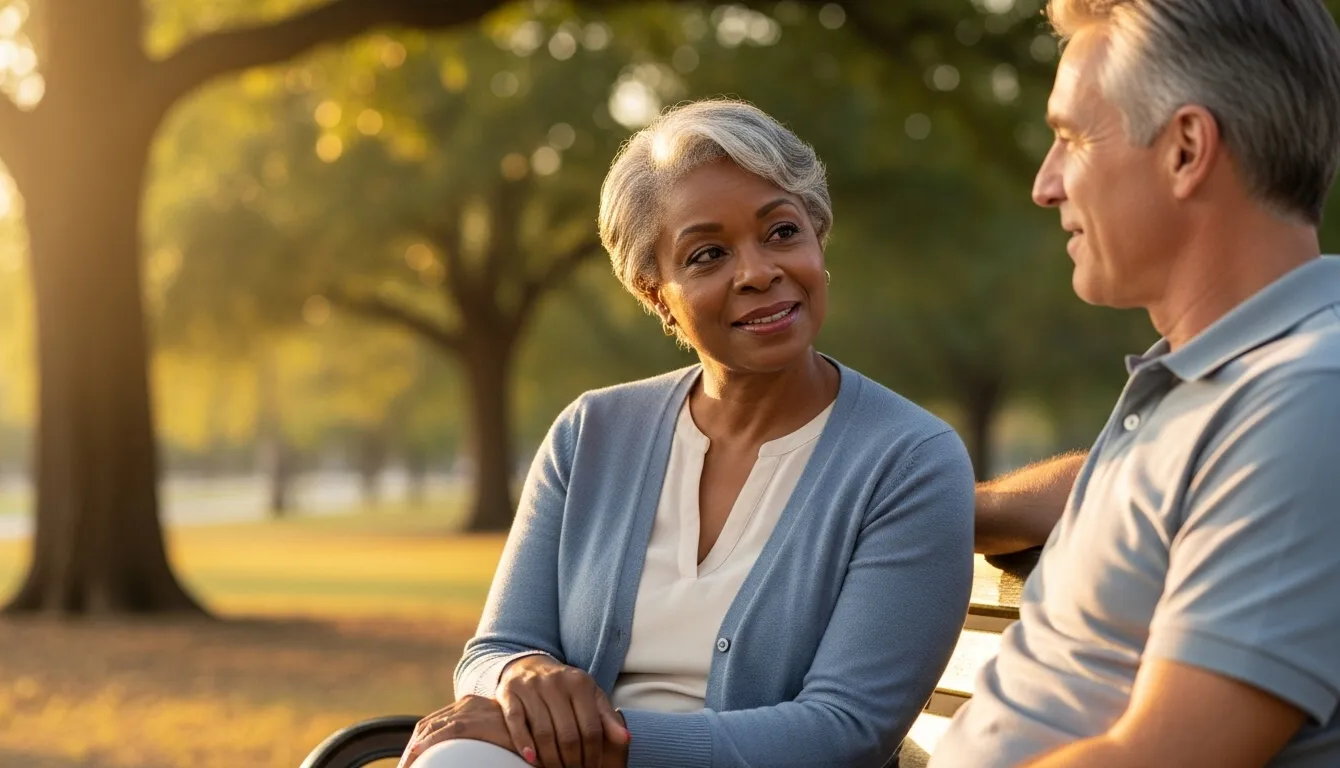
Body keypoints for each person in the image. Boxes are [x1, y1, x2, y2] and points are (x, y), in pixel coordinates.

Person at [400, 99, 977, 768]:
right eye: (707, 254)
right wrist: (519, 677)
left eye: (783, 232)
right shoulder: (590, 435)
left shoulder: (908, 460)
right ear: (655, 293)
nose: (759, 271)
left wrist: (604, 743)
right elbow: (494, 650)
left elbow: (842, 730)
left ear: (819, 239)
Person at [933, 1, 1340, 766]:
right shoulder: (1222, 381)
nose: (1044, 185)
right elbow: (1174, 493)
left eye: (1068, 138)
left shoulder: (1308, 400)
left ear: (1186, 148)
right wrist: (961, 509)